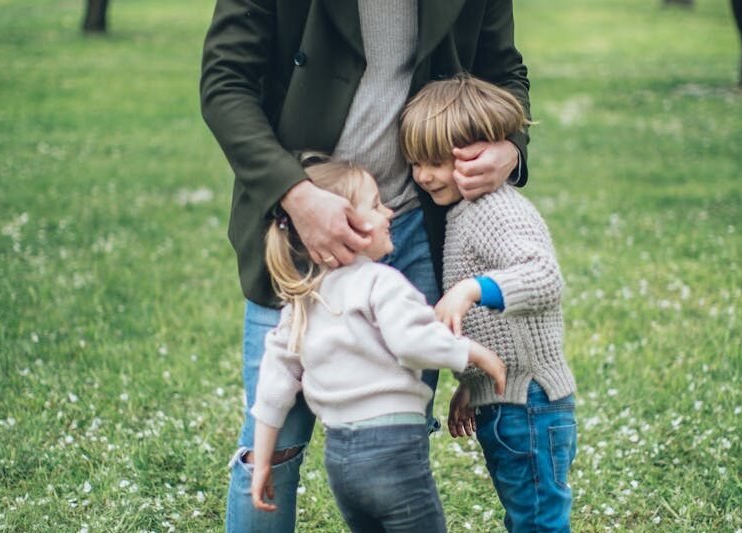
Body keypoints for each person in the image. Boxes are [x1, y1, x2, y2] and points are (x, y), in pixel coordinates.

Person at [200, 1, 531, 530]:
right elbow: (224, 84)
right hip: (296, 222)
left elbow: (504, 71)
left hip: (405, 228)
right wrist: (296, 195)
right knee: (274, 444)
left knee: (398, 437)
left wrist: (510, 147)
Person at [248, 156, 507, 533]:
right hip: (393, 451)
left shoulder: (302, 303)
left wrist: (262, 460)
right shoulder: (379, 282)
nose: (388, 212)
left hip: (340, 460)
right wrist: (474, 353)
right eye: (375, 204)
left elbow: (272, 387)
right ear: (343, 226)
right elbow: (410, 341)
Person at [400, 75, 578, 532]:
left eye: (436, 162)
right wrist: (471, 383)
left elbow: (544, 277)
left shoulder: (498, 209)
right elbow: (490, 334)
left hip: (532, 404)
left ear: (476, 153)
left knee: (538, 519)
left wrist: (471, 288)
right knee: (525, 512)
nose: (423, 176)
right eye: (415, 163)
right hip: (505, 400)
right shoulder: (462, 212)